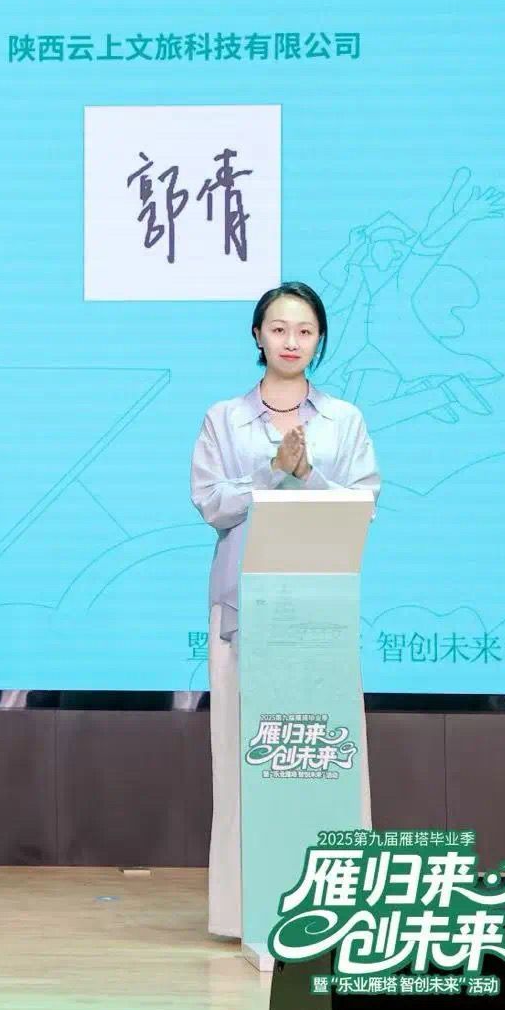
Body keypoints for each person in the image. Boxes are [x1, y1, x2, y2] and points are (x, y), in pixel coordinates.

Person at [191, 280, 380, 939]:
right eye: (278, 328)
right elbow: (211, 504)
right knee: (243, 756)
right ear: (257, 336)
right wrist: (270, 471)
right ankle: (242, 909)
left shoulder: (345, 420)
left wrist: (306, 475)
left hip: (321, 608)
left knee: (326, 756)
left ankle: (337, 903)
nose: (291, 341)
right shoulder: (223, 418)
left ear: (319, 339)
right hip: (243, 610)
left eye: (304, 330)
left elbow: (363, 504)